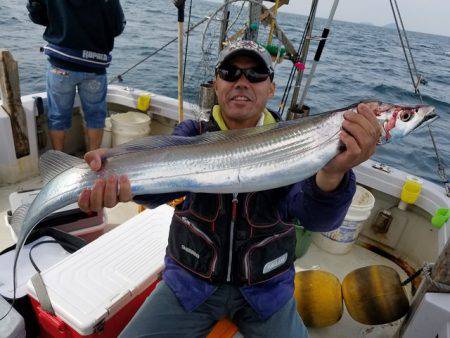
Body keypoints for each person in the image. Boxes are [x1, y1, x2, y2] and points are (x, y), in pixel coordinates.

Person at [78, 40, 381, 337]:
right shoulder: (192, 134)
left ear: (271, 88)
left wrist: (332, 173)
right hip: (190, 284)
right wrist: (119, 175)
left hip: (266, 292)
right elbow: (158, 190)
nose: (242, 82)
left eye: (256, 75)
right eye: (230, 73)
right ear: (216, 84)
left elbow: (318, 220)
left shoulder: (299, 144)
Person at [26, 0, 126, 151]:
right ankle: (94, 163)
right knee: (95, 117)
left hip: (61, 65)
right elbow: (117, 27)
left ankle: (58, 162)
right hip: (95, 67)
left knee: (58, 116)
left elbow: (38, 16)